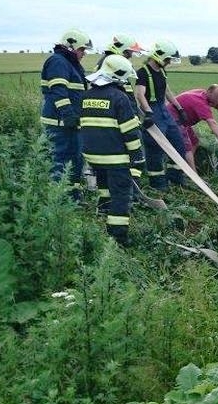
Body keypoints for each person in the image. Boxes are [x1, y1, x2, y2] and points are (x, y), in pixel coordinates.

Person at [79, 54, 144, 246]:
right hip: (115, 158)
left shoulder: (86, 96)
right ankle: (118, 239)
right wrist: (137, 156)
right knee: (121, 196)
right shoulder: (119, 97)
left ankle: (101, 220)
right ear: (119, 77)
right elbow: (130, 131)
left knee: (104, 190)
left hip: (93, 157)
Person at [40, 28, 91, 201]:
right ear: (71, 46)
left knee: (76, 161)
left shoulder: (71, 64)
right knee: (60, 161)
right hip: (59, 123)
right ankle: (59, 200)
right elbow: (58, 92)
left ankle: (73, 197)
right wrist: (68, 115)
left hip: (71, 123)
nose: (84, 53)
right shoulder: (58, 62)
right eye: (82, 49)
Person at [135, 40, 189, 191]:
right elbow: (140, 94)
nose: (168, 62)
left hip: (164, 111)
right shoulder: (143, 72)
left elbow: (167, 91)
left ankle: (176, 178)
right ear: (159, 56)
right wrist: (148, 113)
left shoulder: (162, 72)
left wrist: (179, 109)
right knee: (155, 149)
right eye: (167, 59)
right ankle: (157, 183)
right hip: (153, 111)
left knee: (178, 144)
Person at [167, 85, 218, 172]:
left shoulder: (202, 93)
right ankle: (193, 175)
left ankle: (184, 166)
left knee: (194, 142)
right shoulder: (201, 103)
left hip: (182, 120)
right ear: (209, 92)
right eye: (217, 97)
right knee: (187, 147)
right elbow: (212, 123)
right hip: (172, 117)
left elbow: (213, 103)